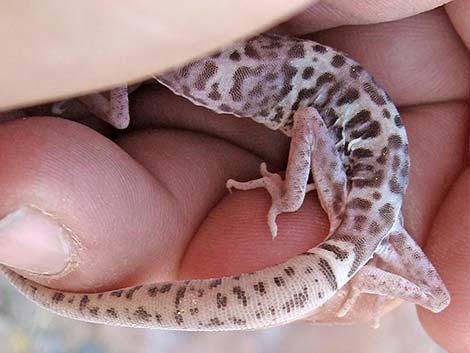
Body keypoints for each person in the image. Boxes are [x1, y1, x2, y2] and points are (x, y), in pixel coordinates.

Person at [0, 1, 468, 351]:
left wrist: (288, 195)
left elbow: (308, 122)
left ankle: (355, 272)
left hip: (363, 176)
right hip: (376, 177)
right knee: (435, 294)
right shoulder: (188, 33)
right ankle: (359, 274)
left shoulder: (144, 49)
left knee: (410, 281)